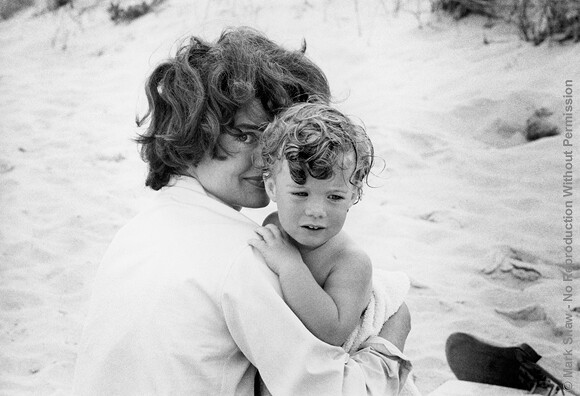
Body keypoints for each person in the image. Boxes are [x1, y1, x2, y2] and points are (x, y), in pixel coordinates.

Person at [72, 27, 412, 395]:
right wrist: (392, 336)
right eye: (246, 135)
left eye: (280, 141)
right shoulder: (246, 257)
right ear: (195, 130)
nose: (266, 158)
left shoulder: (135, 232)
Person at [249, 102, 411, 354]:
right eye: (301, 193)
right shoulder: (274, 227)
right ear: (272, 188)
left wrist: (290, 266)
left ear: (353, 196)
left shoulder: (350, 262)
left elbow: (333, 332)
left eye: (334, 197)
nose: (316, 210)